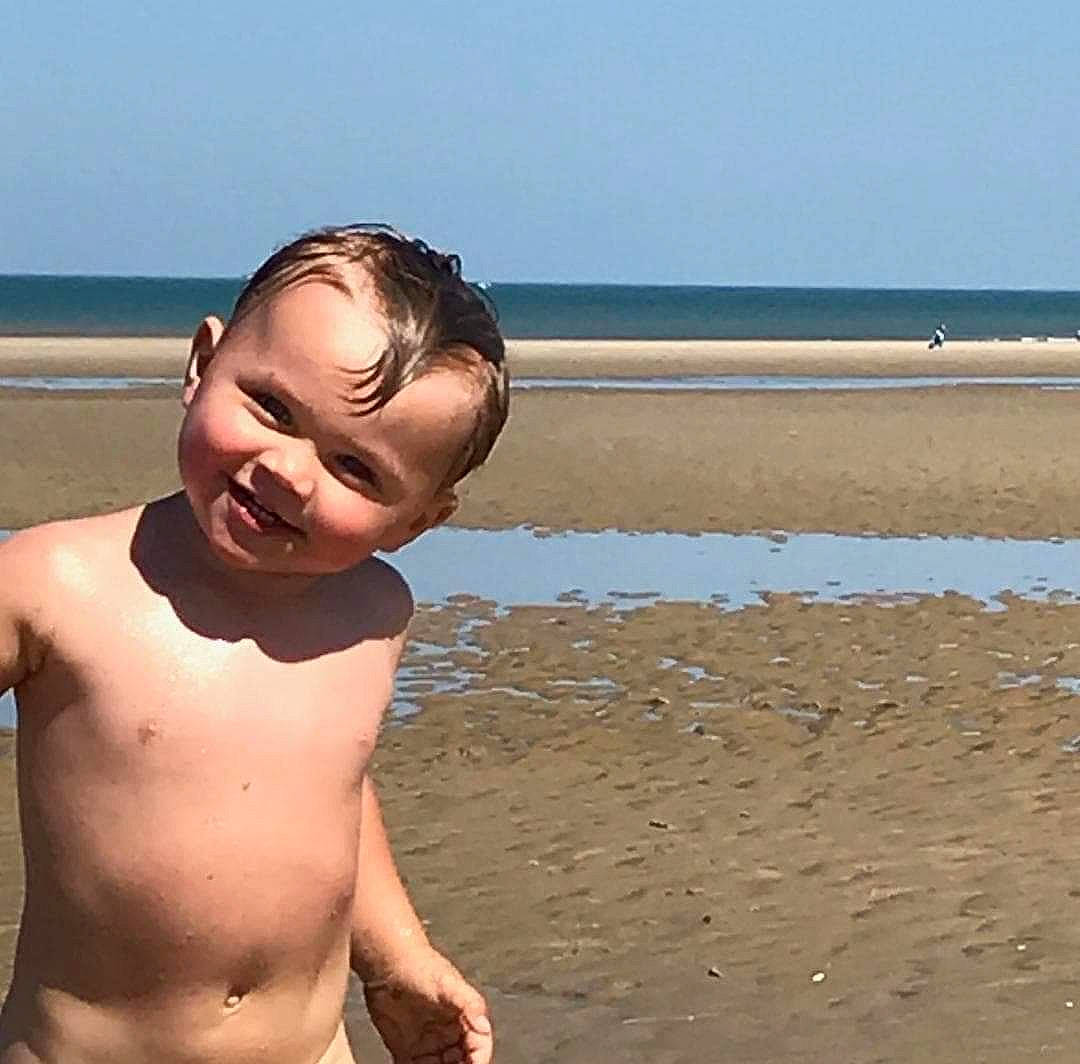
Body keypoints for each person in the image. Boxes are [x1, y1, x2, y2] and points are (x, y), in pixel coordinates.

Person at [0, 224, 509, 1064]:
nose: (290, 470)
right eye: (271, 408)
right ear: (203, 363)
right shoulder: (58, 584)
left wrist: (397, 962)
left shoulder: (374, 613)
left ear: (417, 521)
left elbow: (335, 793)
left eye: (356, 469)